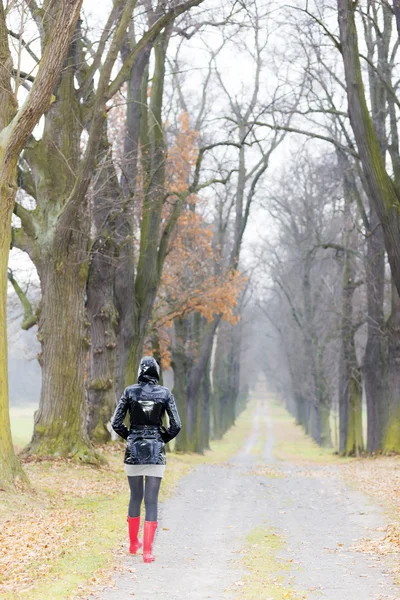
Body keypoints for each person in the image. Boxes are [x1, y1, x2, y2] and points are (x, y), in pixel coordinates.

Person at [111, 356, 181, 563]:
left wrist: (131, 437)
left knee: (135, 497)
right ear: (157, 372)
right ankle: (147, 552)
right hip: (155, 453)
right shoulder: (165, 393)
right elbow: (176, 425)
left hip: (133, 452)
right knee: (151, 501)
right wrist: (160, 440)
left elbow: (116, 423)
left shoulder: (129, 392)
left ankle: (133, 544)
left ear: (140, 371)